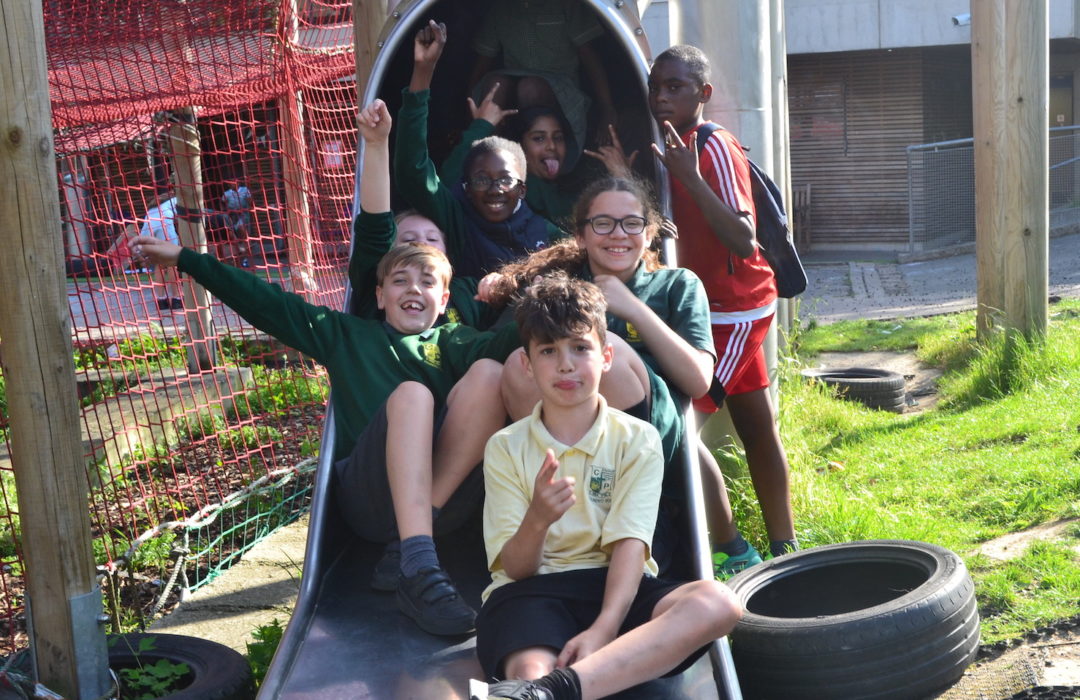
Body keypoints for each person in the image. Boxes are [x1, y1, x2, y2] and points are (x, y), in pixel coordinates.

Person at [127, 235, 519, 637]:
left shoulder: (454, 341)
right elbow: (270, 303)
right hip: (370, 497)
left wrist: (550, 299)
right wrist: (187, 259)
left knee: (491, 372)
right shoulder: (345, 336)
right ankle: (419, 567)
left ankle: (411, 547)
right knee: (413, 395)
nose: (414, 288)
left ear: (445, 298)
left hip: (446, 503)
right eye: (400, 281)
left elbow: (512, 342)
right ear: (381, 296)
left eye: (427, 281)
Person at [477, 275, 741, 700]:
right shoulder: (506, 447)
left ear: (606, 356)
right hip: (533, 592)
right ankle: (552, 685)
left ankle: (556, 690)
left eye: (580, 348)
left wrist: (604, 628)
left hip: (618, 589)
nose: (565, 365)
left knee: (718, 603)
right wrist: (538, 520)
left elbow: (631, 546)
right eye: (548, 351)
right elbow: (516, 569)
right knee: (530, 668)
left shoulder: (637, 438)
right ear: (527, 365)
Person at [648, 44, 798, 575]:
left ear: (703, 94)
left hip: (733, 309)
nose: (662, 97)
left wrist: (688, 176)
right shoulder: (671, 143)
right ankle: (787, 547)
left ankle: (734, 549)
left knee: (679, 430)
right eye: (656, 86)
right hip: (707, 304)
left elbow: (741, 237)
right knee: (756, 425)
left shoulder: (712, 146)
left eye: (675, 87)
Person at [485, 177, 714, 484]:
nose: (618, 233)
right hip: (564, 419)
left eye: (632, 223)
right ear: (581, 235)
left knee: (609, 353)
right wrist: (530, 310)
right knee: (517, 363)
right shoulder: (561, 287)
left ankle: (627, 494)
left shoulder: (677, 284)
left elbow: (699, 381)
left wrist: (633, 307)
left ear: (648, 235)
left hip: (648, 432)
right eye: (603, 223)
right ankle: (555, 488)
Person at [395, 21, 562, 279]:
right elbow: (412, 169)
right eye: (482, 180)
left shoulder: (546, 233)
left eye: (506, 180)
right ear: (467, 189)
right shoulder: (458, 220)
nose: (495, 189)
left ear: (522, 189)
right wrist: (423, 71)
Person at [352, 98, 500, 330]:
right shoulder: (376, 289)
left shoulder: (469, 293)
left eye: (432, 239)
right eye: (408, 240)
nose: (422, 244)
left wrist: (506, 283)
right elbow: (375, 225)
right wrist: (376, 143)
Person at [469, 0, 616, 169]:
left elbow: (590, 58)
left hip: (563, 88)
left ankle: (540, 165)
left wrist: (607, 108)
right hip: (514, 80)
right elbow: (482, 62)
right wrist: (469, 120)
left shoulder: (568, 5)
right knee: (496, 84)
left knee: (530, 87)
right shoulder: (500, 8)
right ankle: (492, 162)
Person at [138, 190, 183, 310]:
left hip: (148, 227)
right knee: (172, 264)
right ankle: (176, 299)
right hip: (164, 225)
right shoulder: (176, 199)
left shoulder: (153, 207)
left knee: (159, 264)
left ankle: (161, 300)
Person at [221, 178, 253, 267]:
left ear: (237, 182)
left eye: (233, 182)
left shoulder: (245, 190)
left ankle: (247, 257)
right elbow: (222, 203)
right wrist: (225, 210)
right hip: (231, 216)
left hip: (243, 215)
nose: (231, 184)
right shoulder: (227, 193)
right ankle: (238, 257)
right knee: (232, 237)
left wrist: (246, 209)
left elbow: (250, 203)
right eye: (230, 183)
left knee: (242, 230)